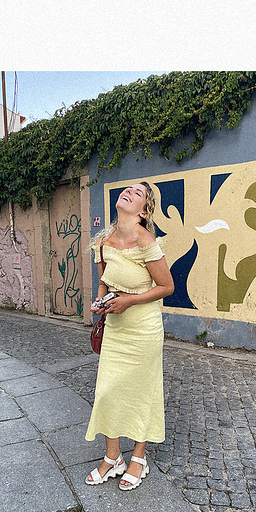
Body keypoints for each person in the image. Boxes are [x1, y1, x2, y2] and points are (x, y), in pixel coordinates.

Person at [85, 181, 174, 490]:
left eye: (138, 194)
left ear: (143, 211)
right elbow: (103, 283)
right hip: (116, 328)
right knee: (107, 390)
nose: (129, 193)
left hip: (143, 328)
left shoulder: (146, 240)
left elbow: (166, 287)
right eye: (128, 190)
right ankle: (112, 458)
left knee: (141, 392)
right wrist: (101, 302)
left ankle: (138, 456)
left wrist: (129, 301)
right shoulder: (102, 242)